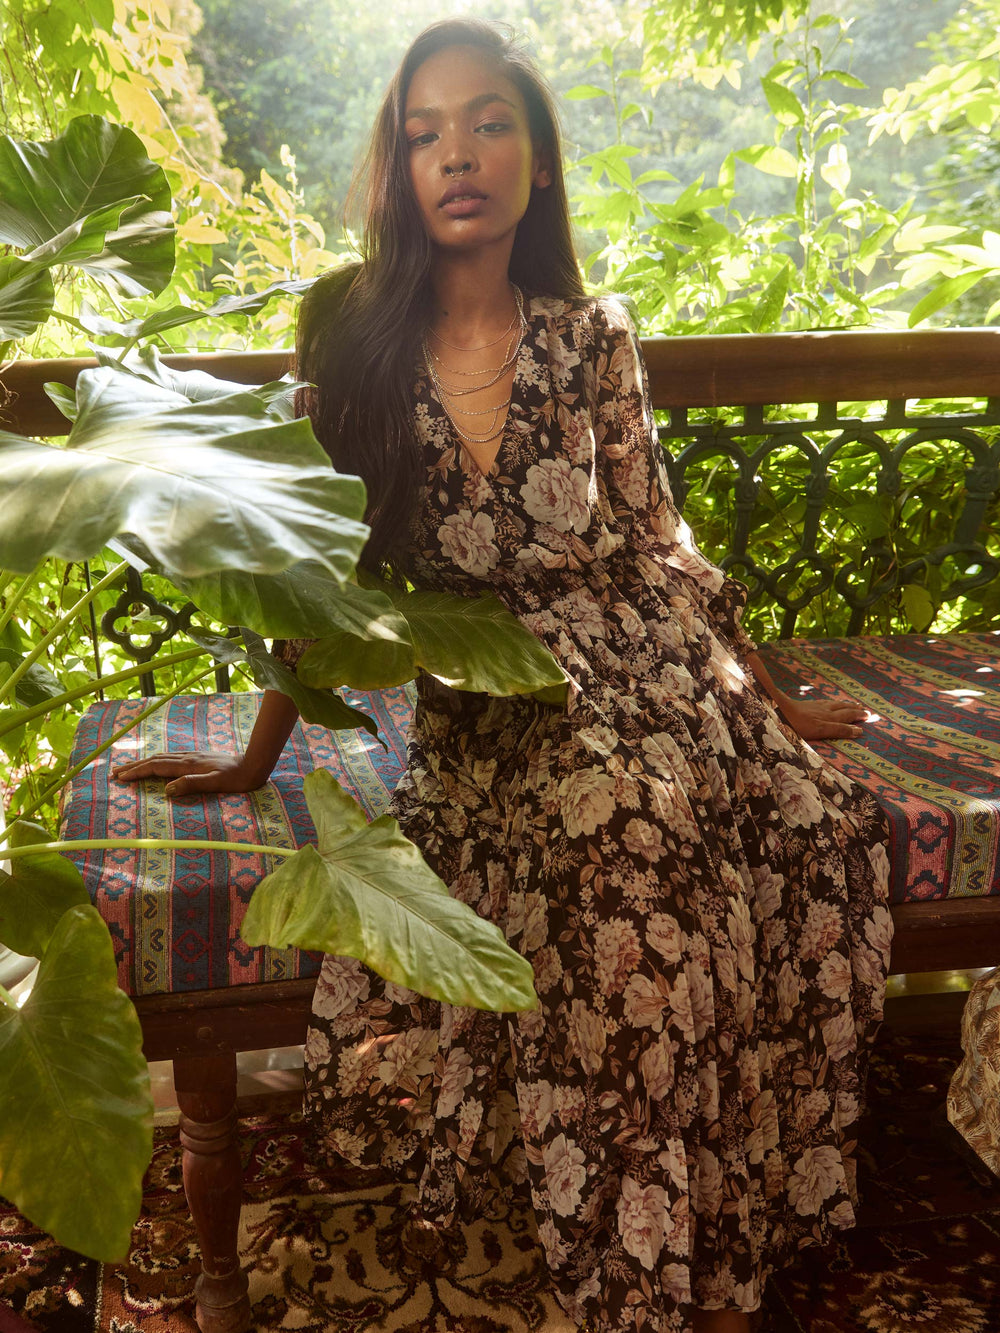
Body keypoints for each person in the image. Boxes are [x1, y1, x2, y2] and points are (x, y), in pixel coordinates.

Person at [116, 19, 892, 1332]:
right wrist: (256, 757)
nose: (457, 155)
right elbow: (317, 565)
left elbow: (661, 544)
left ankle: (673, 1251)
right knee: (623, 822)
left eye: (488, 124)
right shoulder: (349, 333)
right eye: (425, 133)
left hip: (647, 666)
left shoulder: (593, 337)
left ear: (538, 160)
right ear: (398, 166)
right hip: (495, 697)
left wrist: (763, 701)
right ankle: (658, 1261)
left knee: (726, 821)